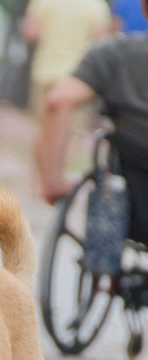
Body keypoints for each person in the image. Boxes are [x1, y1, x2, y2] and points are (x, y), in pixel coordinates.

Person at [34, 0, 148, 245]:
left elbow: (58, 102)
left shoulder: (116, 53)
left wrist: (52, 183)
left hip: (133, 202)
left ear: (144, 9)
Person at [21, 0, 111, 116]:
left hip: (44, 71)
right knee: (70, 130)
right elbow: (101, 42)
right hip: (78, 78)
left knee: (43, 127)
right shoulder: (97, 5)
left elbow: (31, 33)